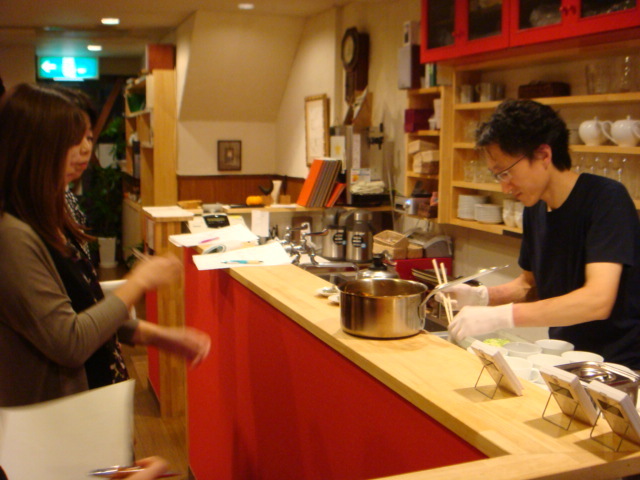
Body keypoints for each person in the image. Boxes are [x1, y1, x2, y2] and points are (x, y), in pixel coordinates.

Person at [0, 83, 211, 407]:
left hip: (92, 404)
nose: (85, 148)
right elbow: (70, 340)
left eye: (87, 137)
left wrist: (162, 337)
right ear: (35, 145)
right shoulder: (12, 235)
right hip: (54, 420)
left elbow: (86, 307)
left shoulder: (55, 212)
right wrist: (138, 282)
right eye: (72, 139)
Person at [443, 99, 640, 369]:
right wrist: (483, 296)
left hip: (617, 366)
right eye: (498, 176)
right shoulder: (535, 208)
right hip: (563, 357)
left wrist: (502, 316)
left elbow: (597, 301)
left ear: (543, 155)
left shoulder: (606, 199)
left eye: (506, 172)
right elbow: (530, 286)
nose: (504, 187)